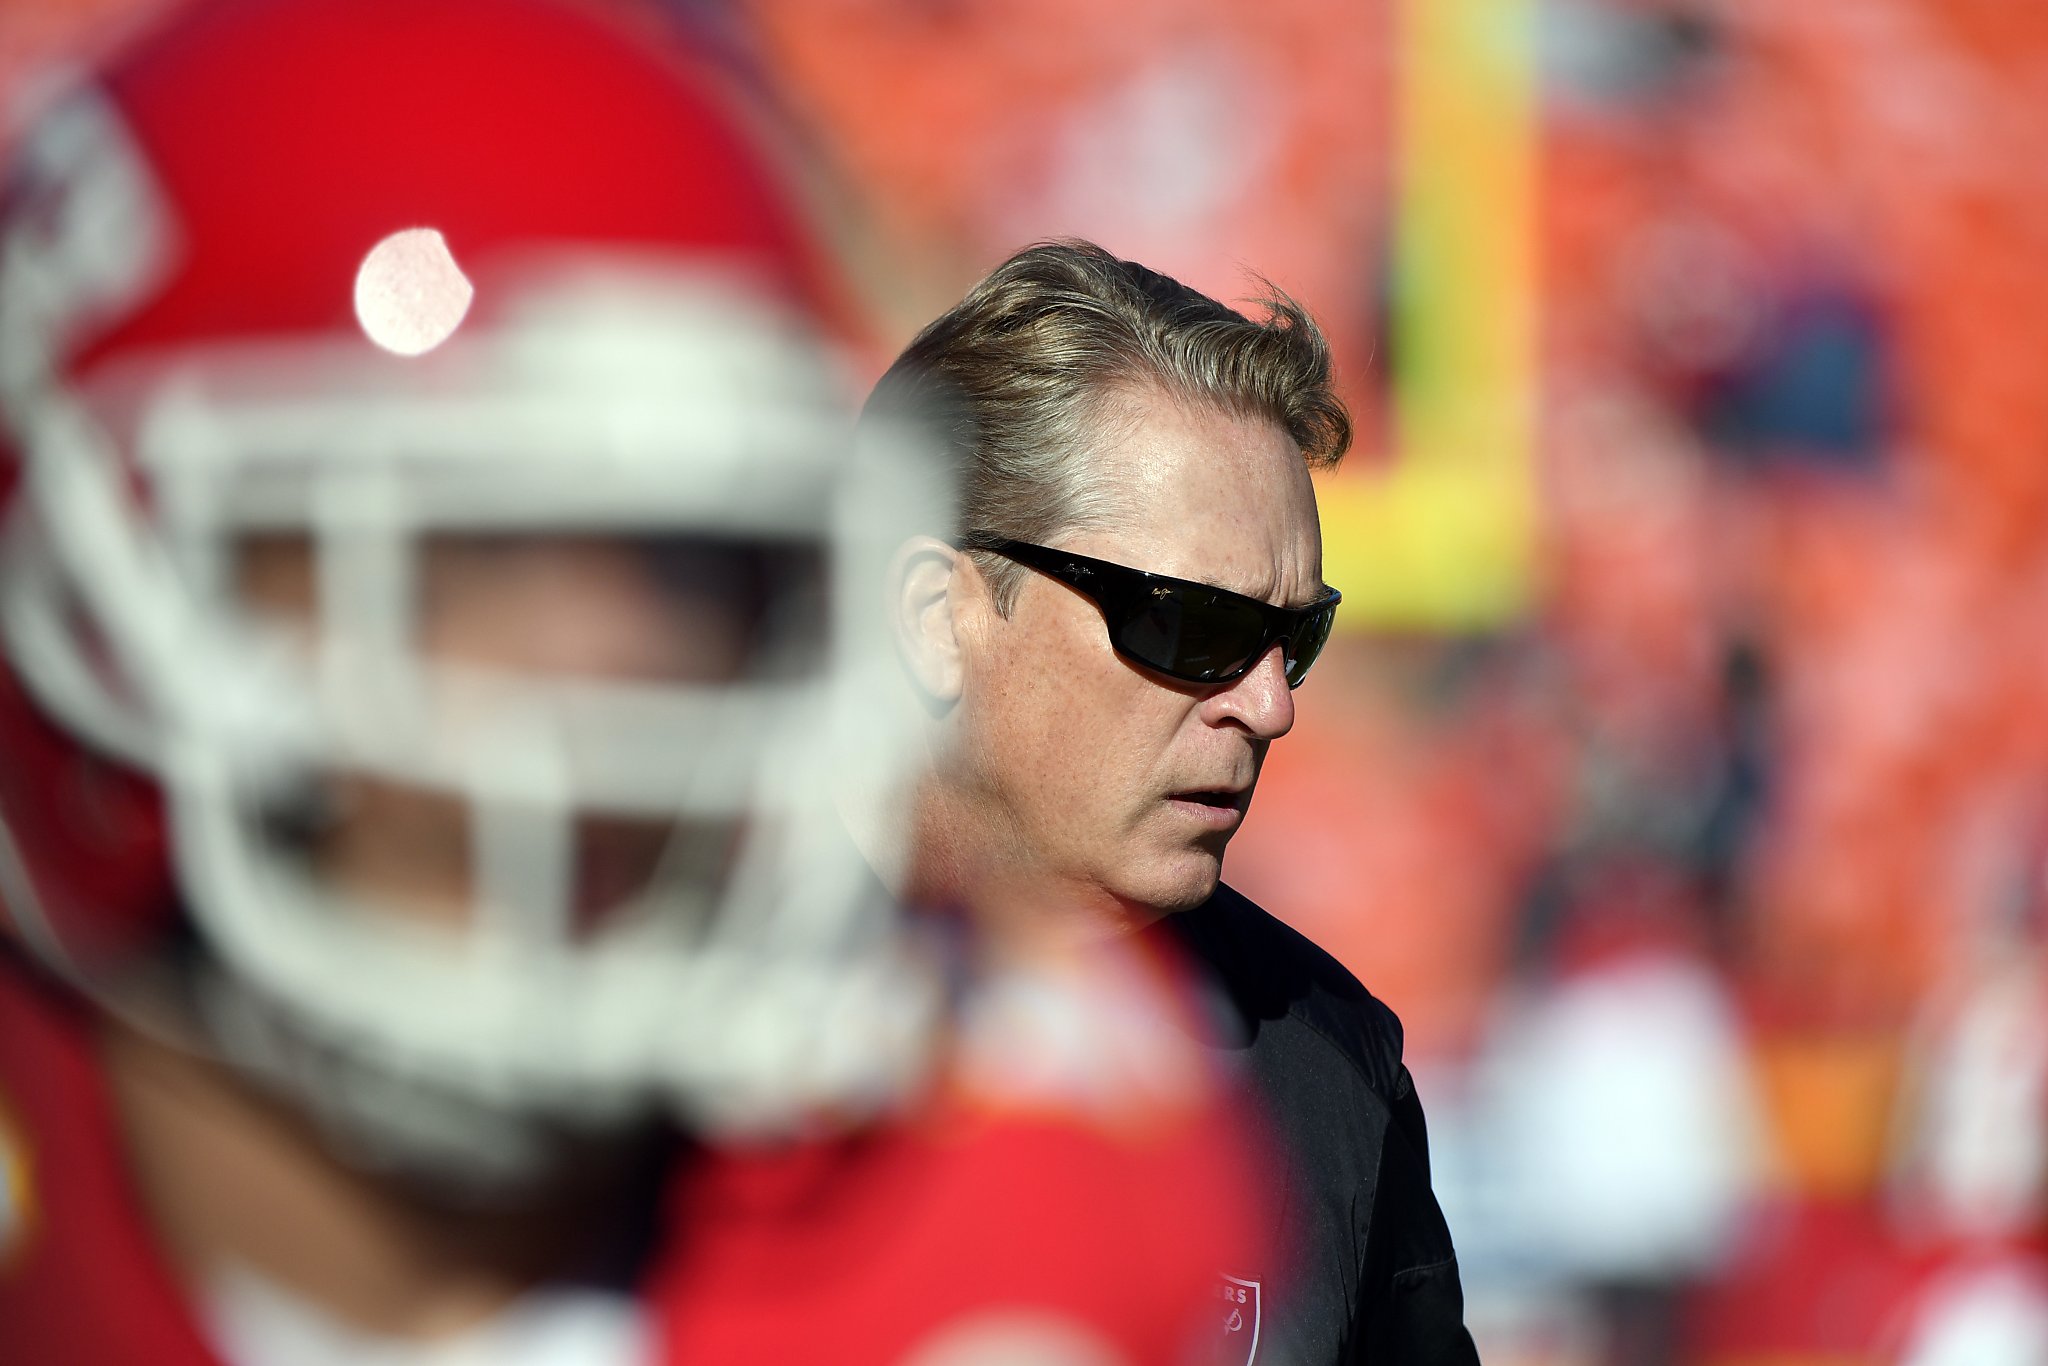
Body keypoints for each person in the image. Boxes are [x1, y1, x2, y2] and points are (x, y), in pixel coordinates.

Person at [0, 5, 1260, 1362]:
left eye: (682, 563)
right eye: (451, 552)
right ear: (92, 606)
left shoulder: (1011, 1203)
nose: (605, 663)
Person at [866, 240, 1481, 1364]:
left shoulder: (1328, 1073)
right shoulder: (639, 1005)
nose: (1266, 706)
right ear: (931, 613)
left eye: (1291, 638)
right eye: (1190, 624)